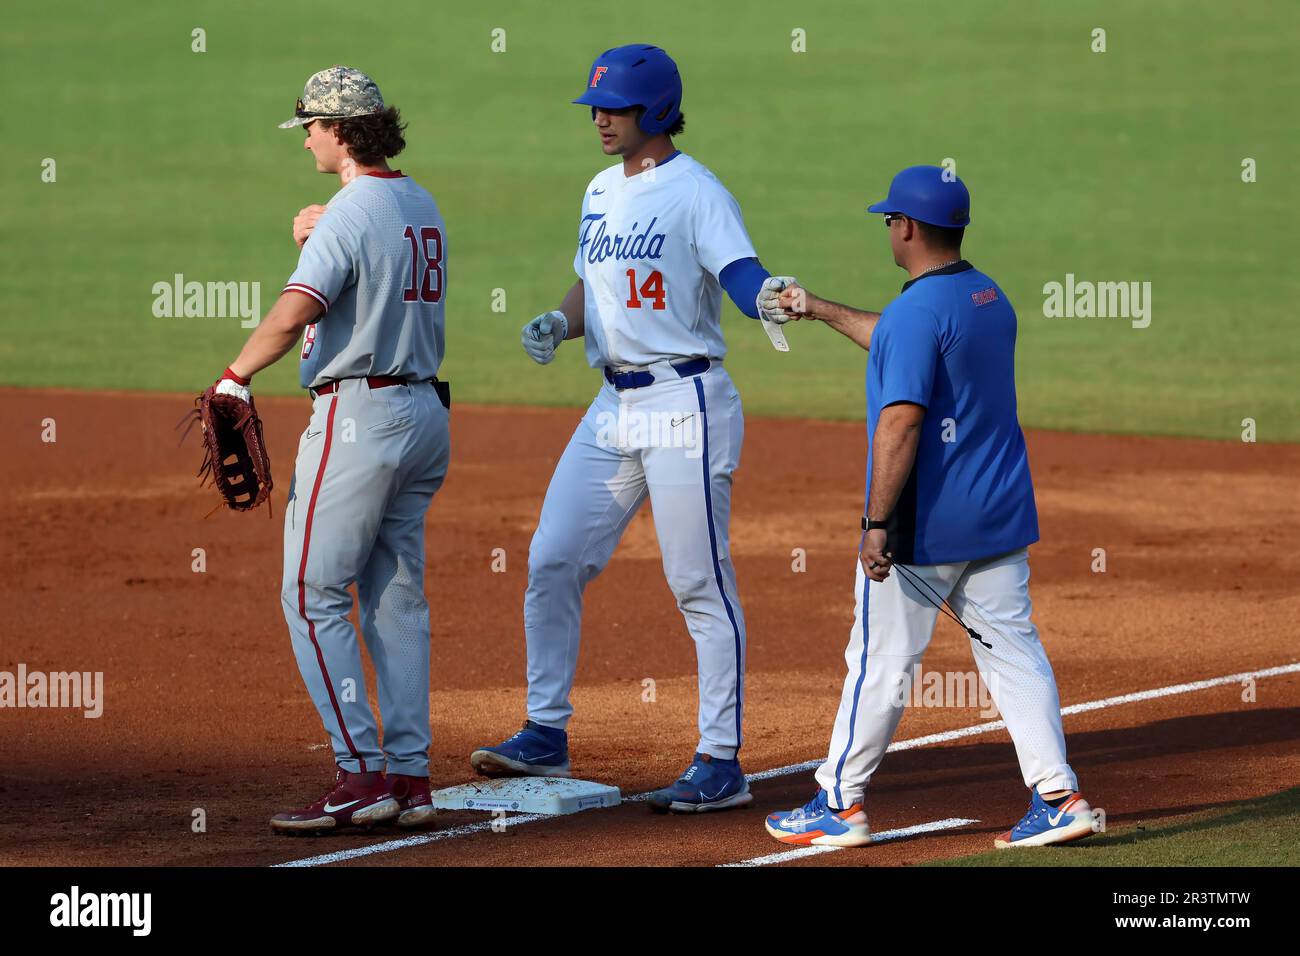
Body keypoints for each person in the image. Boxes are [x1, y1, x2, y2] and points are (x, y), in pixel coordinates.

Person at [469, 44, 797, 813]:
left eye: (613, 109)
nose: (600, 122)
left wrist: (773, 296)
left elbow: (742, 277)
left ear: (654, 111)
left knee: (699, 584)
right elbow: (594, 281)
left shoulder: (697, 192)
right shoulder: (598, 189)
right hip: (613, 407)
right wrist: (560, 319)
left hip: (687, 405)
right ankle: (545, 729)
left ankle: (721, 761)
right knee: (552, 558)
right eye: (595, 109)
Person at [764, 166, 1099, 848]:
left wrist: (875, 524)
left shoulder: (920, 315)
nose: (889, 229)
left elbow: (901, 424)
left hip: (926, 526)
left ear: (907, 228)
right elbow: (902, 335)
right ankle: (1059, 797)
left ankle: (840, 803)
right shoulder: (985, 296)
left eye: (890, 220)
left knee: (880, 662)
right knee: (1012, 652)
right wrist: (819, 308)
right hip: (997, 516)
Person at [215, 65, 451, 833]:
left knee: (313, 596)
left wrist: (235, 376)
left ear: (342, 131)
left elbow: (294, 313)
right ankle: (411, 779)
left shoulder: (351, 212)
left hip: (359, 421)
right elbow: (371, 274)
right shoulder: (418, 200)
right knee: (394, 597)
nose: (307, 138)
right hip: (423, 416)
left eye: (312, 125)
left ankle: (360, 773)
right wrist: (322, 233)